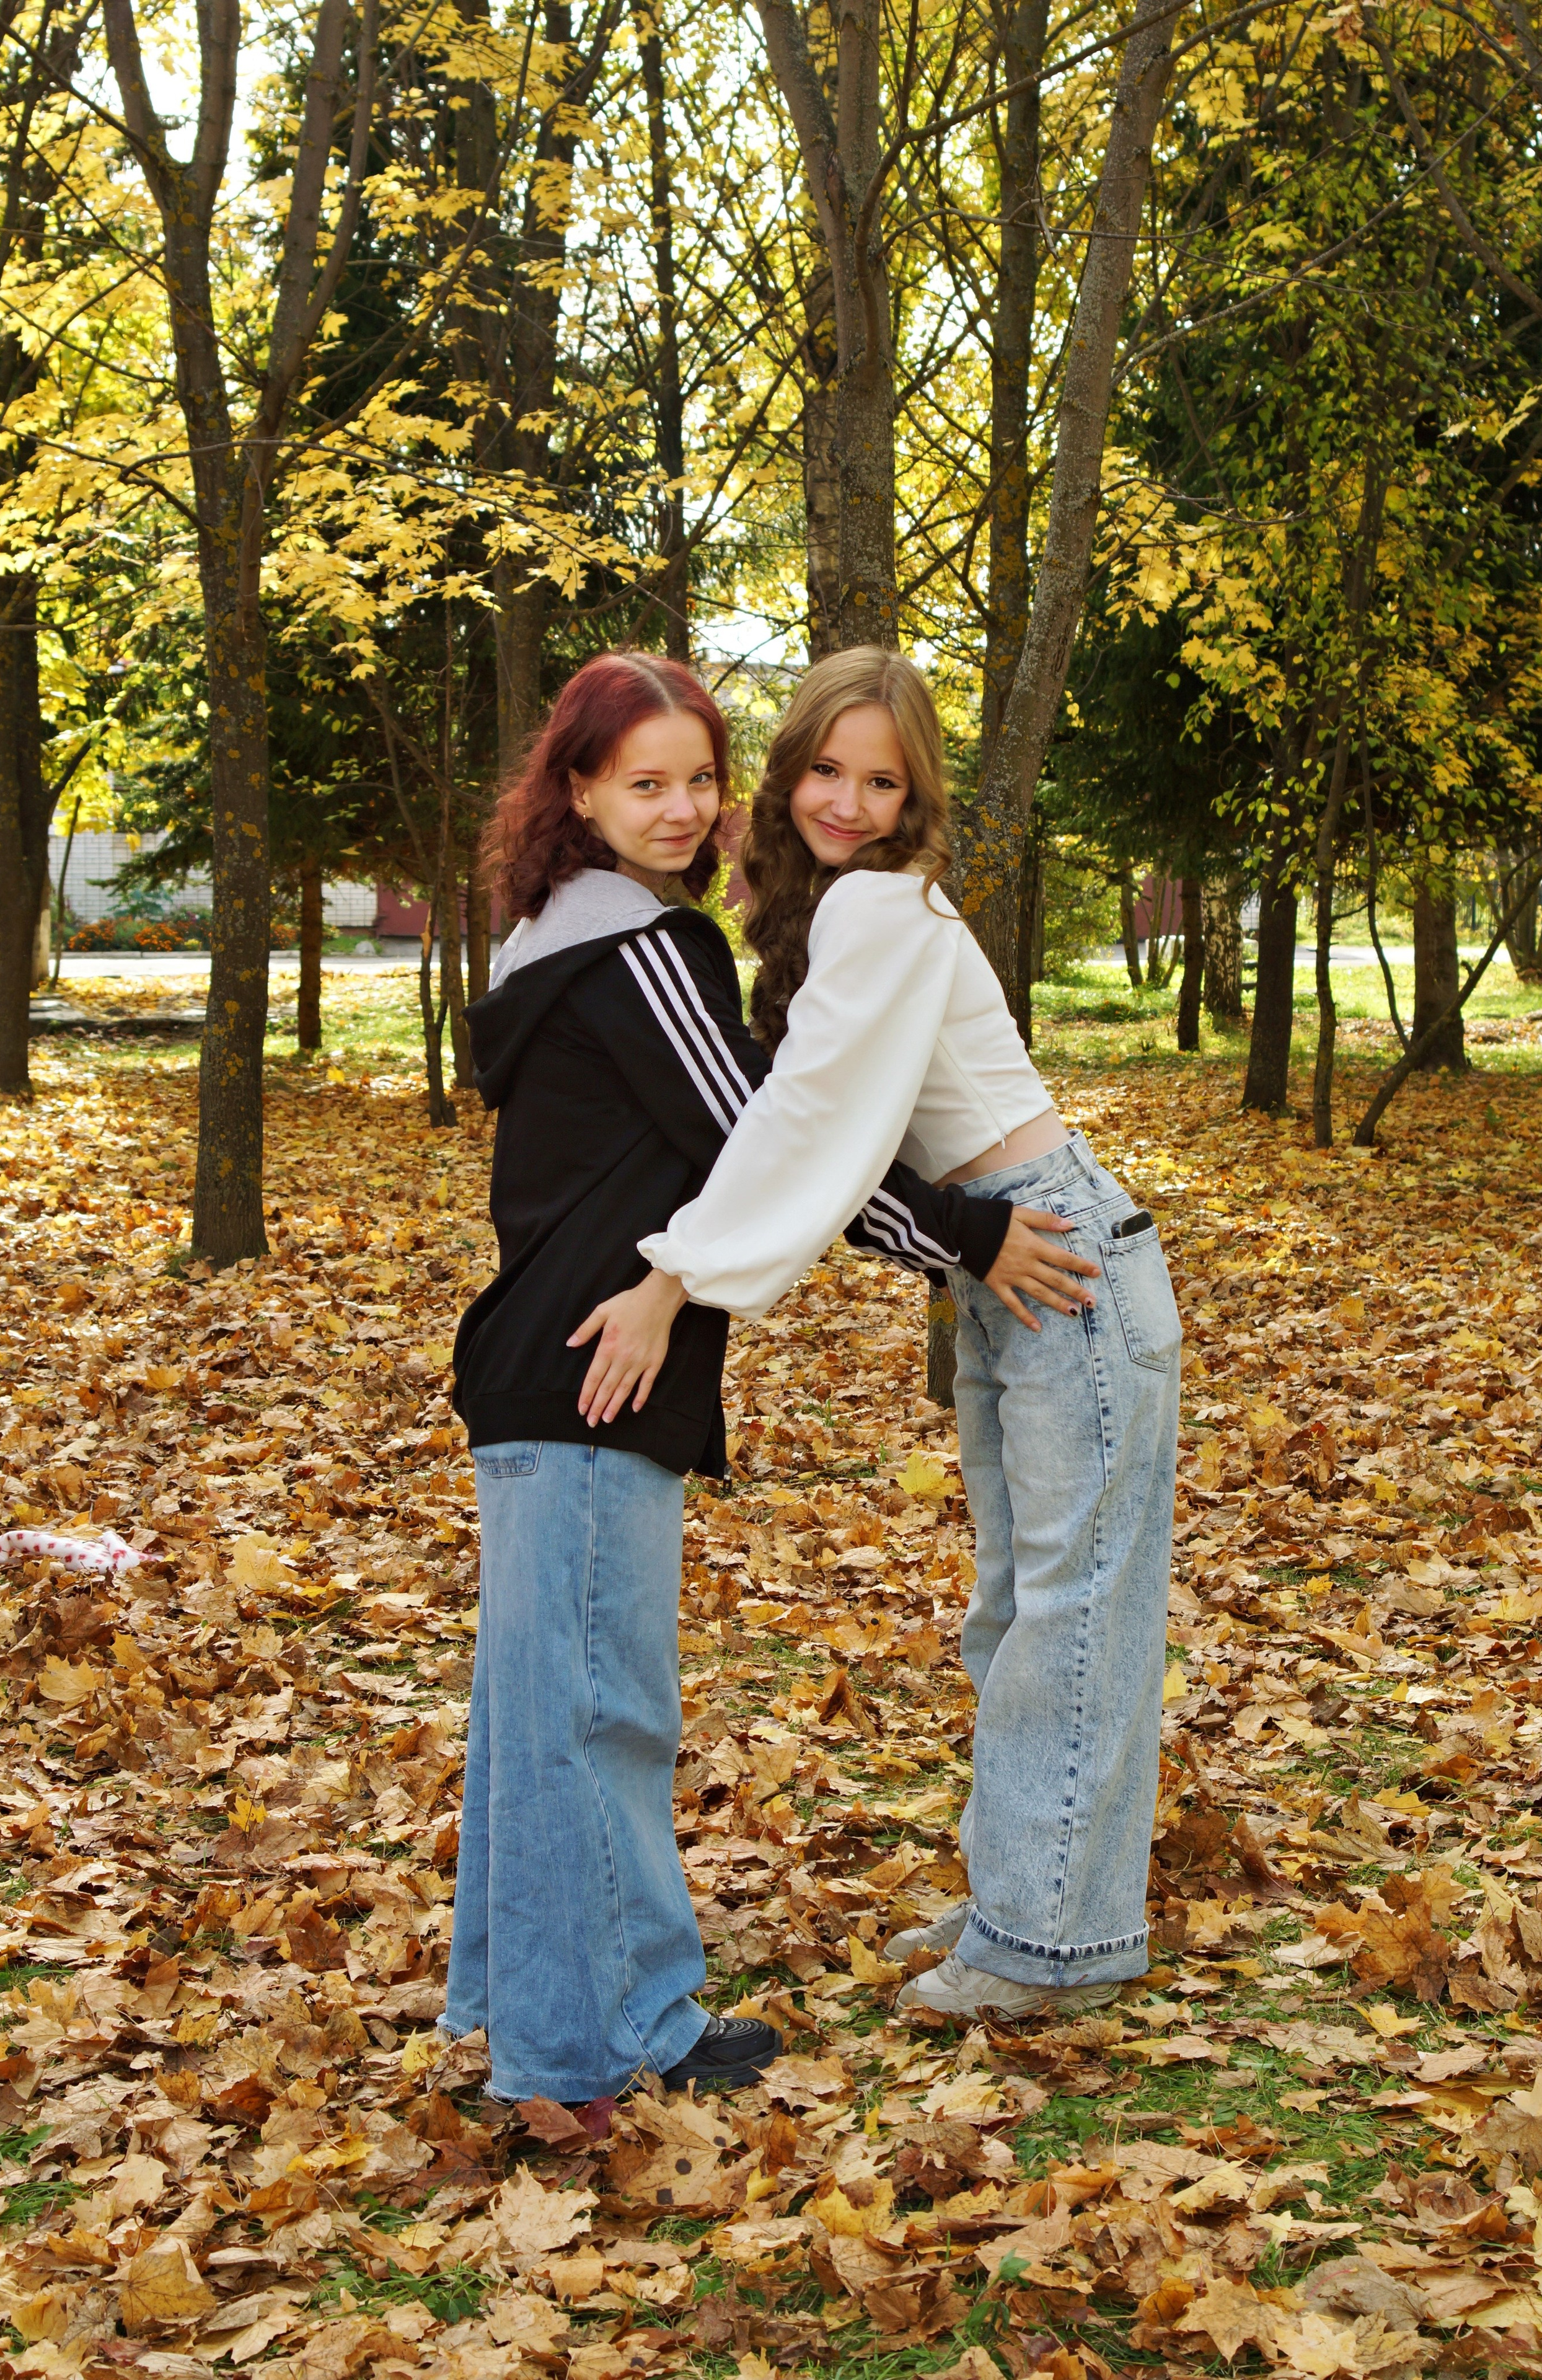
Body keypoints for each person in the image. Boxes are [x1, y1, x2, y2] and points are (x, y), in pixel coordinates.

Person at [446, 649, 1097, 2105]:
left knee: (540, 1708)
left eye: (698, 782)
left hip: (537, 1367)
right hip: (595, 1366)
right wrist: (969, 1233)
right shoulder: (645, 953)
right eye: (645, 785)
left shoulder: (546, 932)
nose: (682, 813)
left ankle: (538, 2016)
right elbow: (769, 1140)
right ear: (580, 789)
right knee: (601, 1708)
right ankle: (604, 2042)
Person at [571, 646, 1181, 2025]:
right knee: (1018, 1614)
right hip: (1012, 1261)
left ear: (913, 801)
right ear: (788, 772)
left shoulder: (883, 909)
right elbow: (807, 1118)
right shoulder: (836, 912)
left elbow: (810, 1132)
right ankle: (1025, 1898)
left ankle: (1049, 1948)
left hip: (1059, 1253)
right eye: (825, 770)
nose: (844, 802)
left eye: (879, 781)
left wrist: (678, 1275)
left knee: (1067, 1616)